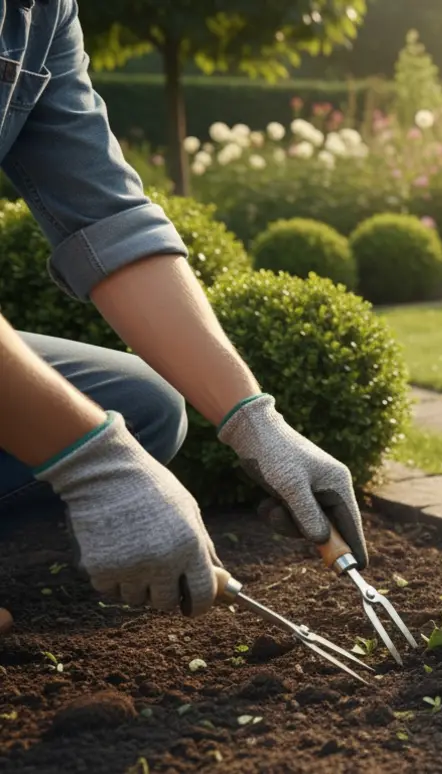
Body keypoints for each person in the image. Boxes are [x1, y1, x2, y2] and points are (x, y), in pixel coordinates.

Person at [0, 2, 368, 636]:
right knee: (99, 438)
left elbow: (106, 217)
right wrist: (92, 463)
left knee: (140, 406)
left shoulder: (41, 14)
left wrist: (256, 424)